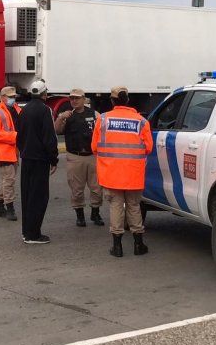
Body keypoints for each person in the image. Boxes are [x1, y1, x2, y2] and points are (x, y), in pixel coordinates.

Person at [91, 86, 153, 257]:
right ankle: (138, 245)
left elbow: (94, 147)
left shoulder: (103, 119)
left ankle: (117, 247)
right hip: (133, 174)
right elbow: (148, 148)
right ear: (128, 100)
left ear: (112, 101)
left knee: (116, 207)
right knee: (134, 206)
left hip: (111, 174)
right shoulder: (141, 122)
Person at [16, 79, 59, 244]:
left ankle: (26, 231)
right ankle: (33, 234)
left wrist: (24, 151)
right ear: (44, 94)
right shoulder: (45, 110)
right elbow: (49, 138)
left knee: (27, 196)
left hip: (27, 158)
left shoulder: (24, 110)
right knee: (39, 197)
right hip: (40, 160)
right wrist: (53, 159)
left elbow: (19, 135)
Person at [55, 88, 104, 228]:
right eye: (72, 98)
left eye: (77, 98)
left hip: (92, 156)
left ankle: (95, 213)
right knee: (77, 189)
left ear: (84, 99)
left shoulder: (94, 114)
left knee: (96, 188)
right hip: (75, 156)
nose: (74, 101)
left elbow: (103, 132)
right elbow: (57, 130)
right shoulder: (67, 115)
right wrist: (61, 118)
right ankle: (80, 216)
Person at [0, 86, 21, 221]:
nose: (13, 99)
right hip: (4, 151)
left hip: (14, 149)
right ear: (2, 97)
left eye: (14, 97)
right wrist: (16, 136)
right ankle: (10, 208)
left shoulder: (16, 109)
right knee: (9, 180)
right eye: (10, 97)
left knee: (5, 179)